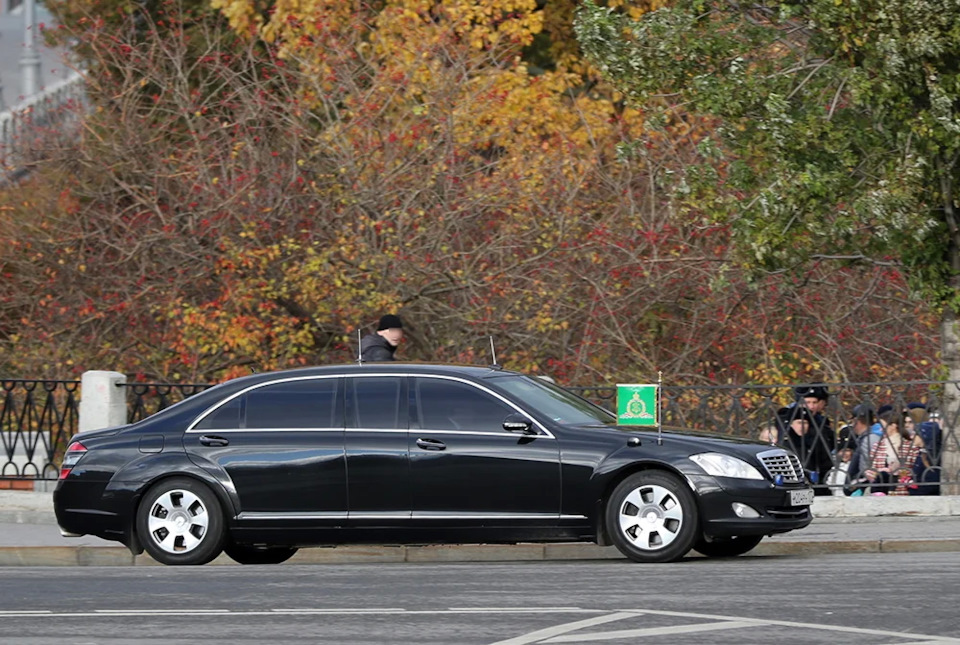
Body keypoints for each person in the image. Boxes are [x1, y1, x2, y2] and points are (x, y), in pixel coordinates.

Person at [863, 408, 921, 495]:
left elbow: (915, 471)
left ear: (893, 426)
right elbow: (873, 468)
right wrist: (873, 474)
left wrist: (898, 472)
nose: (880, 429)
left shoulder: (911, 447)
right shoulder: (878, 446)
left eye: (882, 426)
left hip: (903, 494)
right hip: (881, 494)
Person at [776, 405, 833, 494]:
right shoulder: (786, 443)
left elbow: (825, 463)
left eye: (805, 423)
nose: (802, 426)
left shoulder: (815, 441)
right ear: (791, 424)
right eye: (799, 423)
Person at [904, 403, 942, 496]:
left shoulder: (932, 457)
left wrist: (913, 488)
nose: (912, 436)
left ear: (924, 436)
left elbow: (931, 482)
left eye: (916, 434)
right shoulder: (922, 452)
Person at [844, 403, 880, 496]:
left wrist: (857, 483)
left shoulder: (870, 438)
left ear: (856, 421)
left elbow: (867, 466)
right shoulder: (870, 436)